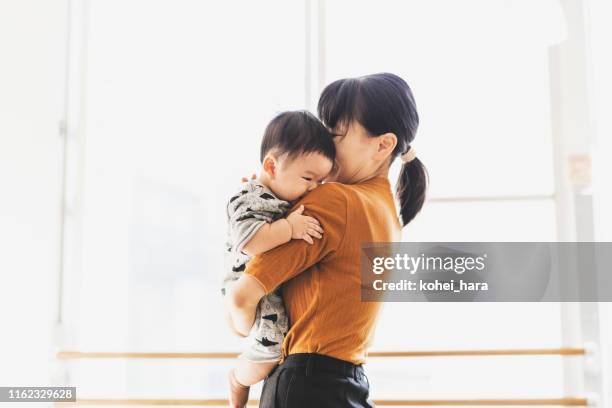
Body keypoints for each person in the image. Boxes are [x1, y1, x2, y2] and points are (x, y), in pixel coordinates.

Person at [224, 72, 428, 407]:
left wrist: (240, 331)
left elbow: (241, 298)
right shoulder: (389, 215)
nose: (322, 145)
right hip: (350, 383)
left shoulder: (335, 201)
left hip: (303, 386)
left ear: (383, 144)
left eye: (334, 134)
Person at [221, 110, 336, 407]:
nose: (313, 188)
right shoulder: (246, 196)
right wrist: (289, 228)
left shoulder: (280, 195)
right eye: (308, 178)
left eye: (320, 182)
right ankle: (237, 377)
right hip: (248, 284)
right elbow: (250, 241)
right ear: (271, 166)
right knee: (268, 352)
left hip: (266, 286)